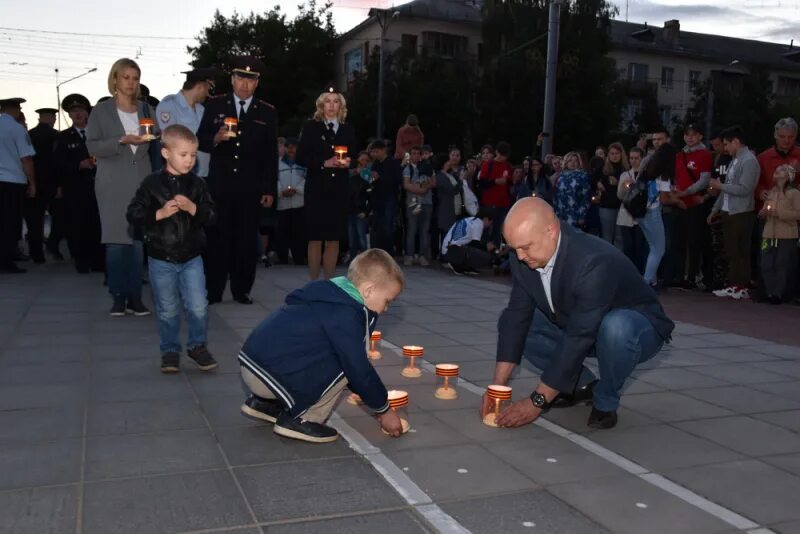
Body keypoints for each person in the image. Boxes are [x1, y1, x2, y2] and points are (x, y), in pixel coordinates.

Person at [481, 197, 674, 430]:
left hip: (636, 328)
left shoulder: (593, 261)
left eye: (525, 247)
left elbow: (578, 337)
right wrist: (496, 389)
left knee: (616, 327)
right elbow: (516, 317)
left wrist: (537, 401)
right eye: (514, 248)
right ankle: (580, 386)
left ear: (551, 231)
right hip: (581, 322)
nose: (520, 256)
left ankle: (605, 399)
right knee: (514, 321)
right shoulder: (523, 256)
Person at [237, 248, 405, 443]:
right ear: (368, 290)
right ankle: (303, 419)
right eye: (387, 301)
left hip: (252, 366)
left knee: (330, 352)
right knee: (348, 364)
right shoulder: (346, 314)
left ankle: (264, 404)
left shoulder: (328, 294)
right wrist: (384, 410)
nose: (386, 308)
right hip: (269, 376)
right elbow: (358, 369)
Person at [126, 125, 217, 373]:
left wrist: (192, 209)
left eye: (193, 155)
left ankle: (197, 346)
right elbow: (133, 213)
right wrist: (159, 213)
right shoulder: (151, 183)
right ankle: (169, 350)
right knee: (167, 308)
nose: (189, 160)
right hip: (161, 257)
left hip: (192, 257)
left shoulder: (198, 184)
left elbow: (211, 216)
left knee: (198, 305)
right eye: (184, 154)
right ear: (166, 153)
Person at [197, 56, 278, 305]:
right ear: (232, 79)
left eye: (250, 80)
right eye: (240, 78)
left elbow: (270, 154)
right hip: (220, 184)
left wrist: (268, 188)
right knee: (217, 239)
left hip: (250, 186)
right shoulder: (215, 104)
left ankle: (242, 290)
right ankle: (214, 290)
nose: (244, 84)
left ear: (257, 83)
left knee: (245, 241)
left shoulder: (267, 111)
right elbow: (200, 138)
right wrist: (216, 139)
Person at [86, 58, 156, 317]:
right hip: (112, 182)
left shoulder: (146, 109)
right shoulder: (101, 111)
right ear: (114, 79)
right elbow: (92, 146)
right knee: (116, 242)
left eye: (135, 78)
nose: (130, 83)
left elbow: (154, 142)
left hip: (141, 180)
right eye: (125, 77)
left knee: (137, 241)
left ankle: (136, 297)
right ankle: (118, 296)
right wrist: (121, 140)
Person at [295, 85, 355, 280]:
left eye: (335, 101)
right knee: (315, 237)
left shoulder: (347, 129)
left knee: (333, 237)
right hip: (316, 188)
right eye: (327, 101)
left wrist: (348, 162)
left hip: (338, 189)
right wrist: (323, 163)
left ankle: (329, 282)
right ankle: (314, 282)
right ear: (321, 104)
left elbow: (355, 155)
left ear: (341, 106)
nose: (331, 105)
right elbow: (300, 157)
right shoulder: (311, 127)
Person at [707, 126, 760, 300]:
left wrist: (720, 186)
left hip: (741, 211)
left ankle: (741, 285)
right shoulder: (735, 160)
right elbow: (727, 189)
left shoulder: (749, 160)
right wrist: (716, 209)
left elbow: (745, 188)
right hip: (729, 210)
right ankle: (733, 284)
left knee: (740, 250)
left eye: (727, 144)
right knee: (731, 249)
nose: (725, 148)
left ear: (736, 142)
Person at [54, 94, 104, 273]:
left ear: (87, 112)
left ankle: (99, 262)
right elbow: (58, 163)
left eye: (80, 110)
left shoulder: (98, 133)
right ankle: (81, 262)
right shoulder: (64, 137)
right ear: (69, 115)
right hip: (76, 189)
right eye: (73, 111)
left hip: (99, 187)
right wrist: (78, 165)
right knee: (78, 227)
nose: (77, 114)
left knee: (97, 225)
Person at [672, 124, 714, 290]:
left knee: (694, 241)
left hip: (695, 203)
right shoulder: (679, 155)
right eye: (687, 135)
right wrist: (676, 191)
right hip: (680, 203)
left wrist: (686, 192)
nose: (690, 138)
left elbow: (704, 179)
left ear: (700, 137)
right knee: (679, 241)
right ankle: (680, 274)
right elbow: (675, 177)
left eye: (694, 135)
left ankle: (692, 276)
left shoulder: (705, 155)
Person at [156, 67, 217, 178]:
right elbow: (168, 139)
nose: (208, 94)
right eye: (207, 89)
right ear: (200, 87)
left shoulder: (201, 109)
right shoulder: (170, 105)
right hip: (180, 174)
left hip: (203, 175)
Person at [0, 97, 36, 274]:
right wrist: (33, 182)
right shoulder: (17, 129)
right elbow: (26, 158)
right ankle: (6, 260)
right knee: (10, 223)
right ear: (15, 110)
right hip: (12, 181)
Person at [759, 164, 800, 304]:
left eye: (781, 170)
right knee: (766, 264)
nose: (777, 171)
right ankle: (769, 291)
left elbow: (798, 213)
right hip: (768, 233)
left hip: (786, 234)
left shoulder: (794, 193)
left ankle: (778, 294)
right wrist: (763, 213)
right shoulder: (772, 192)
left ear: (788, 175)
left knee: (781, 264)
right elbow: (765, 209)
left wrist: (779, 214)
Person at [25, 107, 62, 262]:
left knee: (35, 221)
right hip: (52, 183)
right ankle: (53, 245)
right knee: (60, 218)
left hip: (33, 181)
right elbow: (59, 162)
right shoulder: (56, 136)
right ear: (52, 118)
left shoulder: (29, 135)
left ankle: (37, 254)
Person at [275, 137, 307, 265]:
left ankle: (299, 258)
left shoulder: (304, 164)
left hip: (299, 203)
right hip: (282, 203)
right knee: (282, 232)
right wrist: (281, 191)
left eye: (294, 147)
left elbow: (307, 180)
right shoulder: (277, 163)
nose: (291, 149)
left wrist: (297, 190)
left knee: (299, 233)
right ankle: (282, 258)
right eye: (289, 146)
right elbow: (274, 180)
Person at [368, 140, 401, 255]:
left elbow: (397, 180)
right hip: (377, 199)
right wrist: (371, 178)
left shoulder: (393, 163)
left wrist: (380, 177)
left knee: (387, 226)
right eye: (373, 152)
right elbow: (371, 181)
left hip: (389, 199)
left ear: (383, 150)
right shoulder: (375, 164)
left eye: (376, 152)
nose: (374, 154)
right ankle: (377, 252)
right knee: (377, 226)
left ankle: (388, 253)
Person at [617, 147, 647, 274]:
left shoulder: (646, 174)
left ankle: (639, 273)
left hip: (641, 215)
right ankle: (628, 273)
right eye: (631, 158)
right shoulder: (625, 175)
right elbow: (619, 195)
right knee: (628, 246)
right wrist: (624, 187)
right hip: (626, 215)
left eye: (636, 158)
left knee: (640, 246)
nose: (633, 161)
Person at [402, 145, 434, 266]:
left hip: (427, 202)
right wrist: (421, 190)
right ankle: (409, 255)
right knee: (412, 229)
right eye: (413, 153)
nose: (415, 155)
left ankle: (422, 255)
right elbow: (406, 185)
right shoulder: (407, 169)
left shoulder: (427, 167)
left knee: (424, 230)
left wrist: (425, 187)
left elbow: (433, 182)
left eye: (417, 153)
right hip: (413, 203)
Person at [478, 141, 513, 247]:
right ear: (496, 152)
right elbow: (482, 183)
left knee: (498, 230)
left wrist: (508, 181)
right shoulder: (488, 165)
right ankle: (483, 252)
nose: (502, 158)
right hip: (489, 203)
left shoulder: (508, 166)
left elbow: (510, 183)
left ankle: (495, 253)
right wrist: (495, 181)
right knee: (486, 229)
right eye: (501, 155)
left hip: (503, 203)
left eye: (504, 156)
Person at [440, 208, 493, 275]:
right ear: (486, 219)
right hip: (453, 251)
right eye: (490, 223)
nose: (489, 225)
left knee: (471, 248)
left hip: (447, 250)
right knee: (487, 257)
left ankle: (464, 266)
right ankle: (456, 264)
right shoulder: (479, 223)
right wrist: (487, 247)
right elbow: (475, 244)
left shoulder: (469, 219)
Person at [595, 142, 628, 245]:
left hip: (622, 206)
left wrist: (619, 183)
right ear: (608, 155)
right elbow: (592, 178)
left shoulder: (626, 169)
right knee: (607, 237)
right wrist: (597, 183)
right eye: (612, 153)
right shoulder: (602, 168)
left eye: (617, 153)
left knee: (620, 237)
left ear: (621, 154)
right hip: (607, 206)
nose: (614, 156)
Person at [553, 151, 591, 229]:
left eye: (575, 160)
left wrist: (582, 215)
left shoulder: (583, 176)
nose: (573, 163)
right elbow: (556, 196)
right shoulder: (560, 176)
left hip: (575, 214)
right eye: (570, 160)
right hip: (561, 213)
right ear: (566, 162)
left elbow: (586, 197)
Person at [347, 151, 371, 263]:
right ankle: (353, 260)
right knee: (352, 240)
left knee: (362, 238)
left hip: (361, 212)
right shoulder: (348, 181)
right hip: (350, 212)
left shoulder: (366, 182)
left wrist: (366, 212)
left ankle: (365, 261)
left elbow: (370, 198)